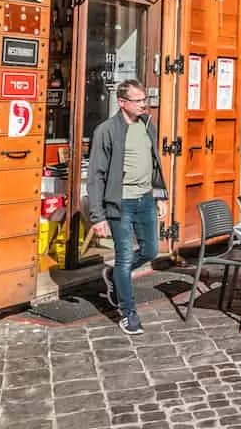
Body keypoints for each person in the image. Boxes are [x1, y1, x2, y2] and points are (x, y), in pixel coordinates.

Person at [87, 79, 169, 335]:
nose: (144, 104)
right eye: (138, 100)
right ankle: (129, 313)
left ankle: (115, 277)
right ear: (122, 102)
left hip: (145, 199)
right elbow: (96, 175)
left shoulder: (147, 125)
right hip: (120, 202)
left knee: (151, 250)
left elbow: (155, 163)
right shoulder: (107, 130)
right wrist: (97, 216)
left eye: (144, 99)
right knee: (124, 258)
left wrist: (160, 196)